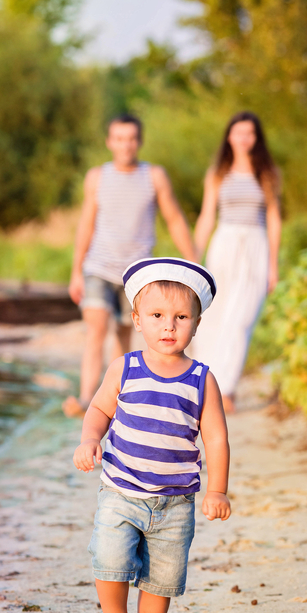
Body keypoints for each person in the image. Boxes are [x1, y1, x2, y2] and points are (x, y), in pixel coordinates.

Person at [73, 257, 231, 613]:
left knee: (162, 578)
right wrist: (90, 439)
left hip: (175, 502)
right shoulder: (125, 368)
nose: (169, 326)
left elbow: (216, 438)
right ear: (137, 320)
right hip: (121, 492)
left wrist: (217, 489)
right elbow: (99, 409)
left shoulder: (202, 379)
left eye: (181, 317)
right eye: (157, 315)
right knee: (109, 561)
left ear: (196, 323)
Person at [64, 115, 197, 417]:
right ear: (110, 142)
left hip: (137, 273)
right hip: (98, 267)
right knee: (96, 328)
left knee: (125, 333)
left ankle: (116, 397)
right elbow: (86, 224)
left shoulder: (155, 176)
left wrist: (192, 260)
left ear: (140, 141)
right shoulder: (97, 177)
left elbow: (174, 218)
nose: (126, 145)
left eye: (131, 139)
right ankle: (86, 399)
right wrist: (76, 271)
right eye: (120, 139)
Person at [193, 111, 281, 414]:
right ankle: (205, 384)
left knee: (242, 318)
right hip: (224, 244)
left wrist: (273, 264)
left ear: (256, 138)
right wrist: (194, 256)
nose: (243, 138)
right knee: (215, 316)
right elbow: (207, 216)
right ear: (229, 136)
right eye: (238, 132)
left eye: (249, 133)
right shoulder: (218, 173)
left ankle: (227, 388)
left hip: (256, 245)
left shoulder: (267, 173)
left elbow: (274, 217)